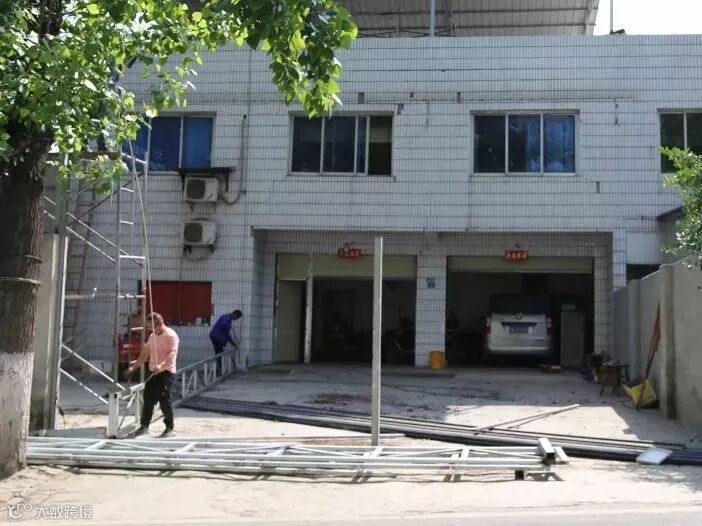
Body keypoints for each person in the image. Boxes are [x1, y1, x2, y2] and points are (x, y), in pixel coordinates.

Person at [127, 312, 179, 438]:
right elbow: (145, 353)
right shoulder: (152, 337)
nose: (150, 329)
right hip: (152, 371)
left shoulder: (171, 336)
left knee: (164, 399)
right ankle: (144, 426)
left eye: (151, 327)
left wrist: (161, 366)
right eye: (149, 327)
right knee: (148, 399)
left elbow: (172, 354)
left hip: (166, 372)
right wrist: (134, 367)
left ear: (160, 324)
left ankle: (169, 427)